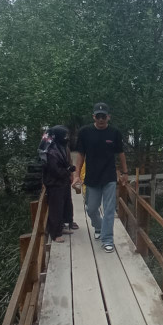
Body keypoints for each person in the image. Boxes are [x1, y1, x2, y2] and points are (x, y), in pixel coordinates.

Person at [72, 102, 128, 253]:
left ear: (109, 117)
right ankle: (98, 226)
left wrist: (124, 173)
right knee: (91, 209)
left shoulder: (115, 133)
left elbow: (121, 154)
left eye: (104, 116)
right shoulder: (85, 132)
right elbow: (80, 155)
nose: (101, 119)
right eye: (98, 116)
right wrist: (76, 175)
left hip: (109, 176)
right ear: (94, 117)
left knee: (109, 209)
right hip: (92, 177)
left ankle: (107, 239)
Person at [41, 126, 76, 243]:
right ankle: (55, 234)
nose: (67, 138)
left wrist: (69, 170)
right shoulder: (51, 151)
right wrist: (68, 171)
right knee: (56, 208)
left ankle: (62, 227)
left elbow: (65, 163)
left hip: (63, 182)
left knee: (65, 205)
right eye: (64, 135)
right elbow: (54, 170)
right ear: (58, 136)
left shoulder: (62, 146)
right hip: (54, 183)